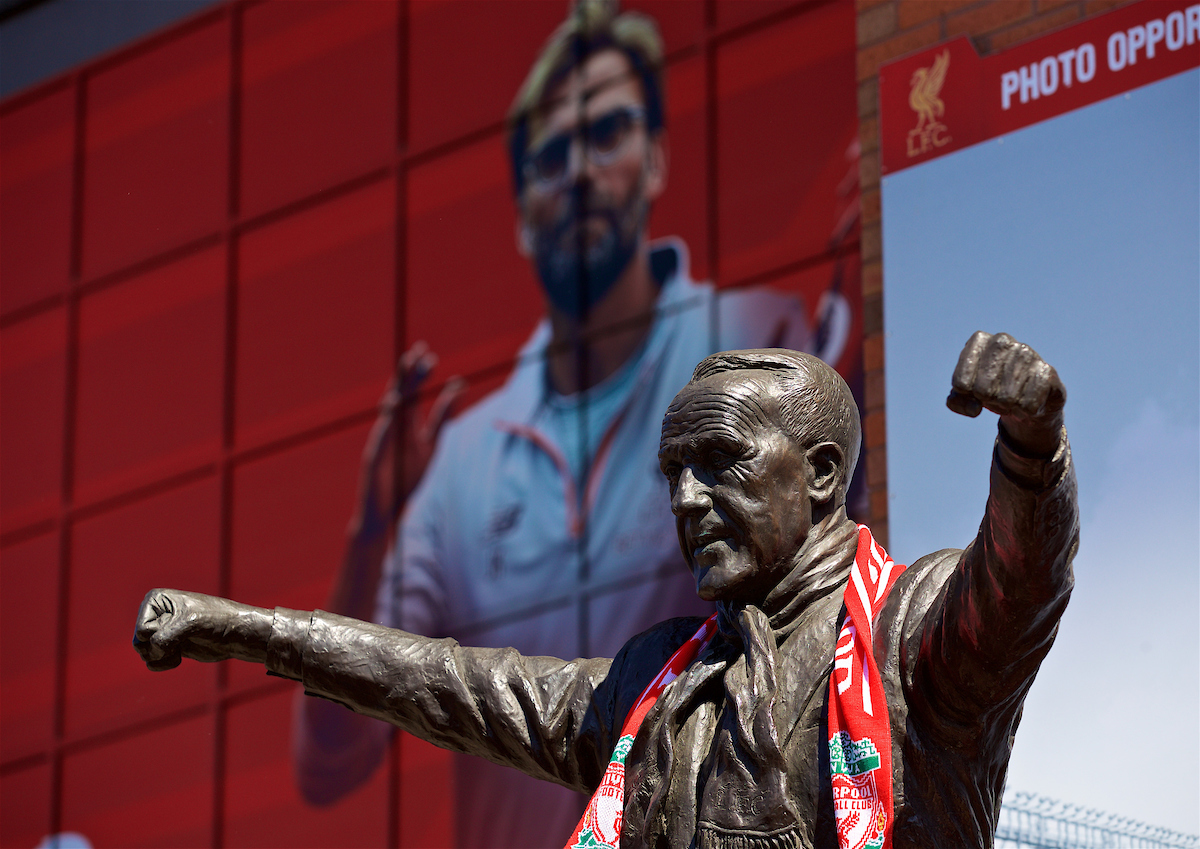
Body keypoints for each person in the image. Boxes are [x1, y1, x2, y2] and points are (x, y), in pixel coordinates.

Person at [136, 331, 1078, 848]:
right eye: (674, 473)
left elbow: (1019, 579)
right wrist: (253, 629)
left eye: (719, 464)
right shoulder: (654, 687)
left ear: (823, 474)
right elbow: (450, 684)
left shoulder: (912, 633)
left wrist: (1032, 450)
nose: (687, 499)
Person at [295, 2, 845, 844]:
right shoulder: (459, 463)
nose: (581, 171)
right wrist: (370, 533)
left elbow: (837, 598)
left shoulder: (766, 336)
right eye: (551, 155)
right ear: (519, 209)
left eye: (609, 133)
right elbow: (330, 764)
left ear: (656, 158)